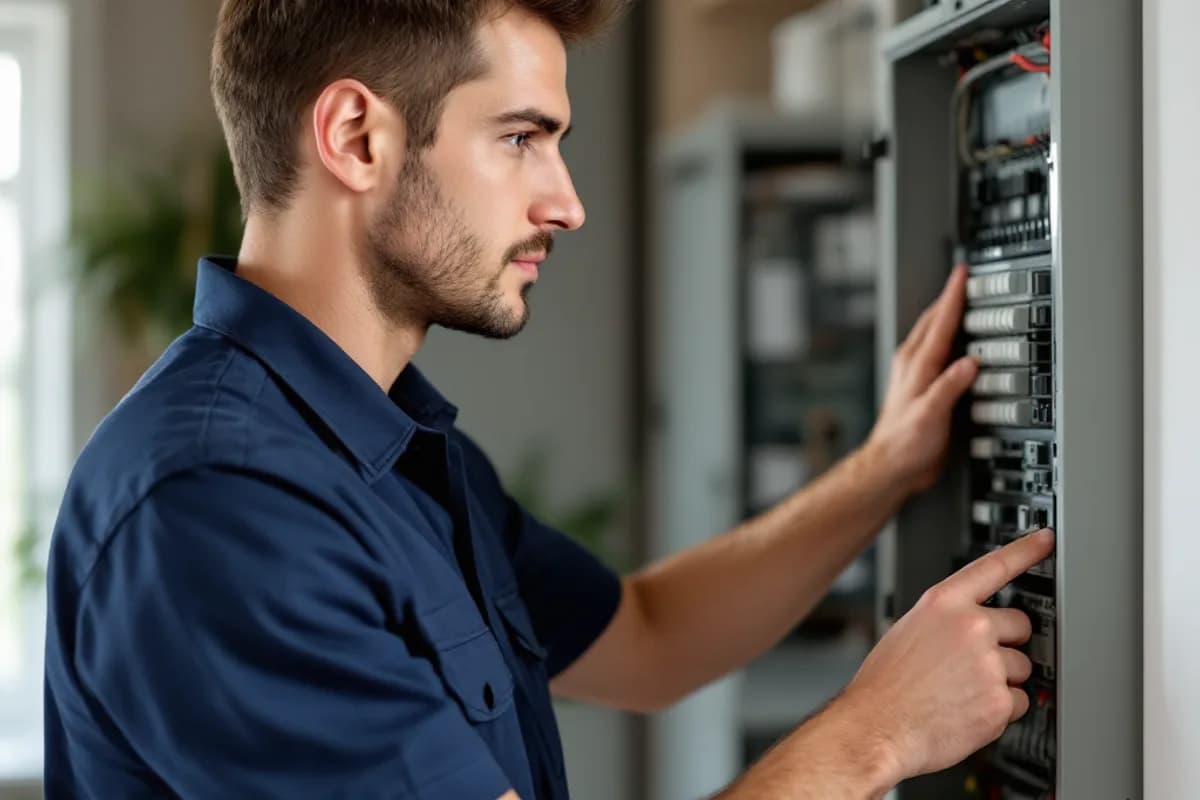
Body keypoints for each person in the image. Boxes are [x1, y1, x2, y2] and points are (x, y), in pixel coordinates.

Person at [42, 1, 1055, 798]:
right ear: (356, 136)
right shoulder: (218, 503)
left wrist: (888, 466)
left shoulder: (392, 450)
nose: (565, 201)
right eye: (521, 137)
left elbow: (651, 638)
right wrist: (876, 731)